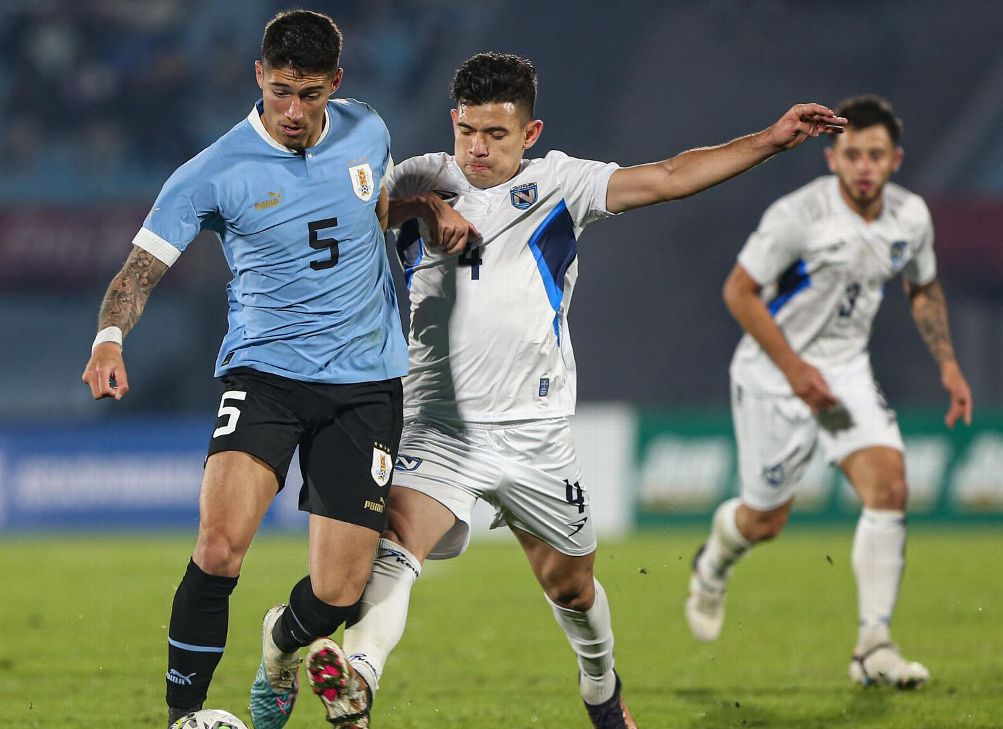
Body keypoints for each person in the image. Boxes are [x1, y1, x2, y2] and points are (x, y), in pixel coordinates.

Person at [308, 52, 846, 729]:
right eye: (468, 131)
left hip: (535, 434)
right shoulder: (418, 176)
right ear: (453, 121)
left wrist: (768, 142)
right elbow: (330, 206)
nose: (478, 148)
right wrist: (415, 206)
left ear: (529, 135)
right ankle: (357, 678)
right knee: (398, 537)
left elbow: (672, 176)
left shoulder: (563, 183)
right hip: (437, 425)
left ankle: (600, 686)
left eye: (496, 135)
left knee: (572, 585)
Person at [79, 10, 407, 729]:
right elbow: (138, 271)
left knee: (340, 592)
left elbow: (371, 208)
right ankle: (184, 716)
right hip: (266, 378)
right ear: (259, 75)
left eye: (310, 93)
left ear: (336, 86)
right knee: (219, 545)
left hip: (367, 384)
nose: (293, 110)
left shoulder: (369, 130)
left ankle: (282, 645)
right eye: (281, 89)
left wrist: (418, 212)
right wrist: (109, 338)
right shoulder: (213, 172)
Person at [684, 94, 973, 689]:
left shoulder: (911, 216)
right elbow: (739, 292)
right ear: (831, 159)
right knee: (764, 521)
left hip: (844, 373)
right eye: (852, 154)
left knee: (889, 486)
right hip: (772, 376)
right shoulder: (798, 216)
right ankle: (713, 564)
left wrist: (948, 364)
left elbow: (923, 287)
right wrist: (793, 371)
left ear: (895, 159)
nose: (863, 165)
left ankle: (873, 644)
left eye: (875, 154)